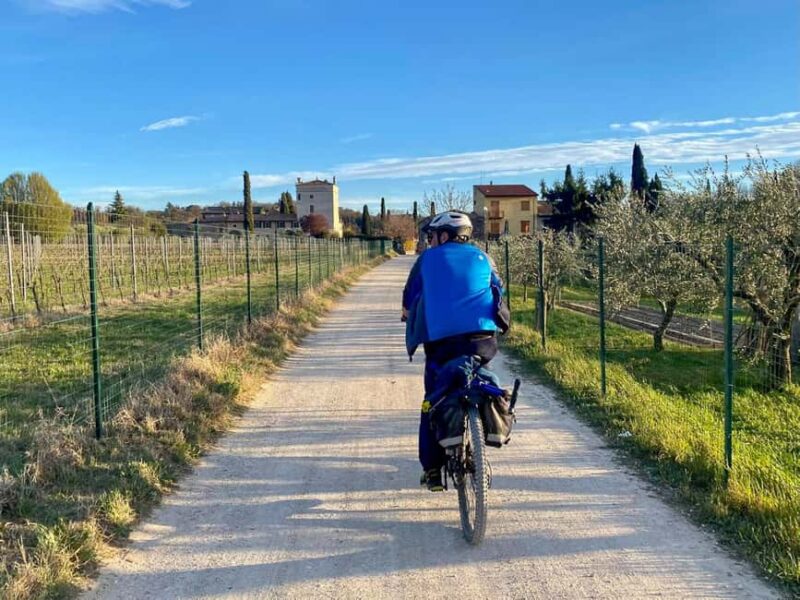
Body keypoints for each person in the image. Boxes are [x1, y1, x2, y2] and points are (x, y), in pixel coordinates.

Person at [402, 212, 508, 491]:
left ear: (444, 235)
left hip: (441, 344)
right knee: (478, 372)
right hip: (482, 339)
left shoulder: (426, 259)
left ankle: (433, 469)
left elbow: (410, 298)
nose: (430, 241)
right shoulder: (485, 257)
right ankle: (484, 425)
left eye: (432, 236)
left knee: (432, 398)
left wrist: (409, 314)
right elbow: (499, 291)